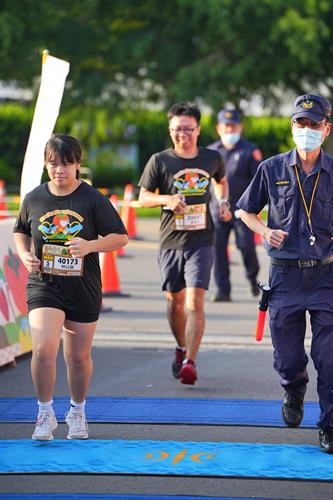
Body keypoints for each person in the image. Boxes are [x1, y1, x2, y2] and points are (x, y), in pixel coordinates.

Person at [13, 134, 128, 440]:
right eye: (53, 163)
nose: (59, 170)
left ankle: (77, 411)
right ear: (45, 165)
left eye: (66, 163)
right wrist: (25, 254)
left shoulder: (92, 199)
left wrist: (90, 245)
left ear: (78, 164)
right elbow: (20, 230)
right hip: (44, 285)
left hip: (83, 286)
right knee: (43, 347)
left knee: (77, 357)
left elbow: (120, 237)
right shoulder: (35, 198)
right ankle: (44, 413)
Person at [236, 94, 333, 453]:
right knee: (288, 359)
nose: (306, 130)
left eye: (313, 124)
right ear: (292, 126)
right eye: (300, 123)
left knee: (330, 358)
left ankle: (329, 425)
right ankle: (294, 392)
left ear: (326, 129)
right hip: (285, 278)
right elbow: (244, 211)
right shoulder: (273, 168)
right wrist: (264, 231)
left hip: (326, 277)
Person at [138, 101, 231, 385]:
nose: (183, 135)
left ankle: (191, 361)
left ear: (199, 130)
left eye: (188, 129)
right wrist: (167, 199)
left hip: (202, 240)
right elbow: (143, 197)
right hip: (170, 242)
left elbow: (221, 181)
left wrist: (223, 201)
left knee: (195, 301)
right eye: (178, 130)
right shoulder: (160, 161)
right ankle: (180, 347)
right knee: (175, 303)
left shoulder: (211, 158)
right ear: (170, 130)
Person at [208, 107, 262, 302]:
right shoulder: (211, 151)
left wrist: (254, 208)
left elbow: (257, 181)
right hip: (217, 210)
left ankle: (252, 278)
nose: (230, 129)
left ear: (240, 127)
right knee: (218, 250)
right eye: (226, 125)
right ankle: (223, 290)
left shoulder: (249, 151)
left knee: (246, 246)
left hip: (242, 210)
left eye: (233, 125)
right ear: (218, 128)